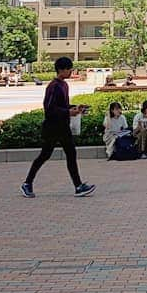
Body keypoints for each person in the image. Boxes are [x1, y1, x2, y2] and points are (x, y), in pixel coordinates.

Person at [20, 57, 95, 198]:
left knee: (71, 154)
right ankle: (27, 183)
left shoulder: (64, 85)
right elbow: (49, 109)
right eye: (69, 69)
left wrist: (74, 108)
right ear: (61, 70)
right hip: (53, 127)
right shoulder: (53, 86)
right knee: (45, 155)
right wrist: (68, 112)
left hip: (63, 126)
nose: (71, 71)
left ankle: (78, 186)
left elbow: (61, 105)